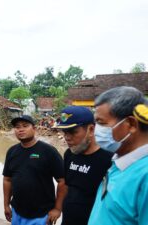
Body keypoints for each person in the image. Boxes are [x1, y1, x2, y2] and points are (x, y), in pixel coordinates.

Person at [88, 86, 148, 225]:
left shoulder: (144, 176)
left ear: (131, 124)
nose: (97, 130)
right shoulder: (121, 162)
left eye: (101, 123)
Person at [53, 106, 113, 225]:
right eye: (65, 132)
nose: (67, 138)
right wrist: (58, 208)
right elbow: (65, 185)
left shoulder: (109, 160)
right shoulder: (69, 154)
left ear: (91, 129)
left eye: (73, 132)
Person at [3, 115, 66, 225]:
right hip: (17, 212)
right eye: (17, 127)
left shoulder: (49, 151)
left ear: (34, 129)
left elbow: (62, 181)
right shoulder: (12, 151)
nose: (20, 129)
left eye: (25, 126)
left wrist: (57, 208)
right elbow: (7, 179)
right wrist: (6, 205)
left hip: (42, 214)